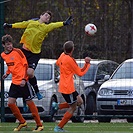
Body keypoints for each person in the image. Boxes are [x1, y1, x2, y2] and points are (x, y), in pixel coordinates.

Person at [3, 11, 73, 111]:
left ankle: (36, 91)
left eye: (48, 17)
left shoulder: (45, 27)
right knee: (21, 75)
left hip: (34, 54)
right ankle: (25, 98)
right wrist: (10, 25)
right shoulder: (31, 23)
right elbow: (22, 24)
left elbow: (54, 25)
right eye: (45, 15)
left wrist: (64, 23)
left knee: (30, 73)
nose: (47, 17)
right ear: (40, 16)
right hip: (24, 51)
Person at [1, 34, 43, 131]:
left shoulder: (18, 52)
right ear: (4, 46)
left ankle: (39, 124)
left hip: (23, 81)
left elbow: (25, 65)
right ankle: (22, 122)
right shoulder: (3, 55)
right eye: (7, 45)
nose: (10, 46)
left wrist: (24, 79)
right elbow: (11, 66)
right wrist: (7, 74)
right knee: (11, 103)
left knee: (29, 102)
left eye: (10, 44)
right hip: (15, 82)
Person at [51, 41, 91, 132]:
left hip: (67, 86)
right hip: (67, 87)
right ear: (72, 49)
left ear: (64, 49)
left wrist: (66, 70)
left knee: (80, 101)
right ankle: (59, 127)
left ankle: (57, 106)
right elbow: (80, 73)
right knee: (73, 107)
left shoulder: (62, 55)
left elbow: (58, 63)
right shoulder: (70, 60)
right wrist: (87, 64)